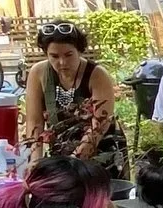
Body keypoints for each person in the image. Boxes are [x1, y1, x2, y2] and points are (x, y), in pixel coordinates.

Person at [22, 20, 129, 176]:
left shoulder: (97, 75)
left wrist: (75, 161)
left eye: (68, 55)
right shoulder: (38, 73)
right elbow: (35, 121)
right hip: (60, 149)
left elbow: (99, 125)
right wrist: (35, 161)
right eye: (54, 56)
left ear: (79, 51)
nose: (62, 62)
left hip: (100, 150)